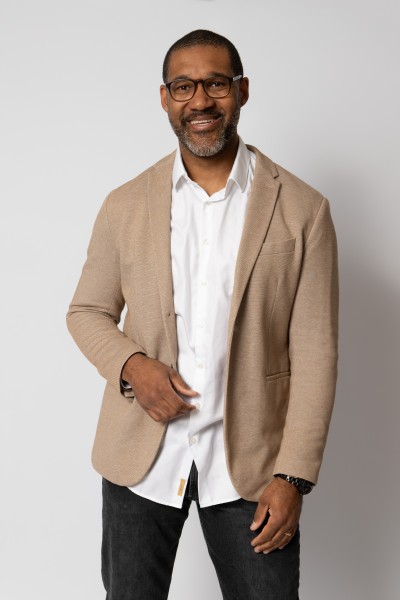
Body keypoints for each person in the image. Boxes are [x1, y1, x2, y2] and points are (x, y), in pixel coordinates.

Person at [67, 29, 338, 600]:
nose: (200, 101)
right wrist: (132, 366)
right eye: (184, 87)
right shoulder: (124, 204)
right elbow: (87, 311)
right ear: (165, 98)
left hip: (253, 469)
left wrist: (293, 476)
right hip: (140, 460)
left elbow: (316, 354)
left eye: (216, 84)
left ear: (241, 91)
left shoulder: (304, 209)